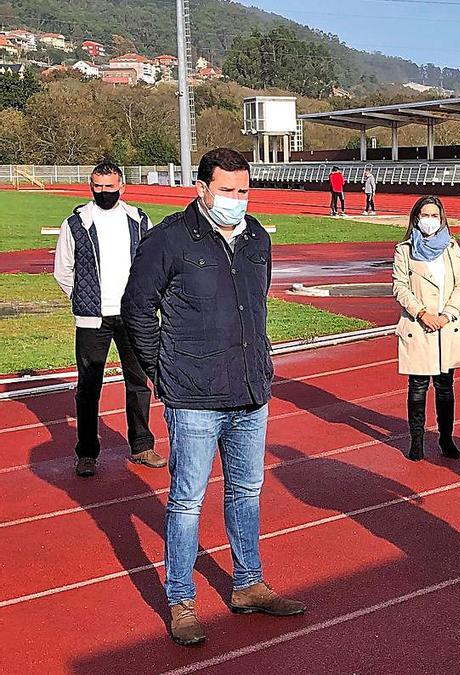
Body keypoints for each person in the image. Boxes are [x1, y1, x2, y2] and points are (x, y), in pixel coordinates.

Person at [122, 148, 305, 647]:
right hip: (194, 398)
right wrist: (163, 370)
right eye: (227, 190)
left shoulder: (257, 239)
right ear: (201, 188)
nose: (237, 200)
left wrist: (261, 368)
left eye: (244, 190)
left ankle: (248, 583)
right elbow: (137, 310)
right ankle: (180, 598)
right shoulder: (168, 241)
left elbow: (257, 305)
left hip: (250, 393)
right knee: (187, 500)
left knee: (246, 493)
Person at [52, 161, 162, 477]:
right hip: (92, 320)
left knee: (138, 382)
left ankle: (142, 446)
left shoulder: (139, 220)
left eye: (109, 187)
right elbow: (63, 271)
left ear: (121, 187)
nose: (103, 192)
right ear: (91, 187)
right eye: (97, 187)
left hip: (132, 316)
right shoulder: (75, 223)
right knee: (88, 387)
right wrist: (84, 299)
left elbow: (151, 264)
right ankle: (87, 453)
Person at [392, 195, 460, 461]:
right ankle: (416, 440)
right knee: (417, 386)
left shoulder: (451, 247)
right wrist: (422, 313)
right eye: (424, 215)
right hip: (419, 325)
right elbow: (399, 287)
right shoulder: (404, 250)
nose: (429, 220)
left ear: (442, 219)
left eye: (434, 216)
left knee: (445, 385)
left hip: (447, 326)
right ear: (416, 218)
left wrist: (447, 314)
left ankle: (446, 438)